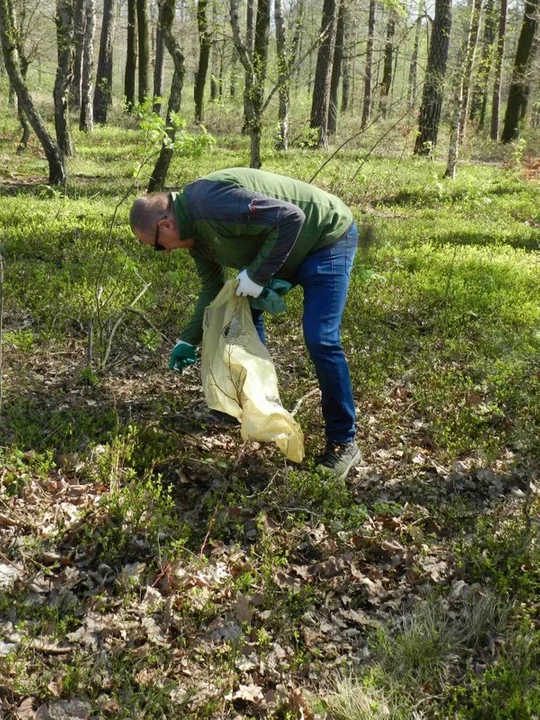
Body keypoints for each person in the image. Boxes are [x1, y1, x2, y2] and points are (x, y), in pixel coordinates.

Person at [130, 167, 361, 479]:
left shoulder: (209, 203)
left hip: (325, 239)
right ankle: (260, 410)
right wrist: (188, 339)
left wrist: (256, 275)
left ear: (167, 224)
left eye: (158, 245)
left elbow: (291, 217)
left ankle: (343, 442)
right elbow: (212, 290)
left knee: (321, 337)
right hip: (283, 249)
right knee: (243, 320)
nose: (165, 251)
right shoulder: (194, 238)